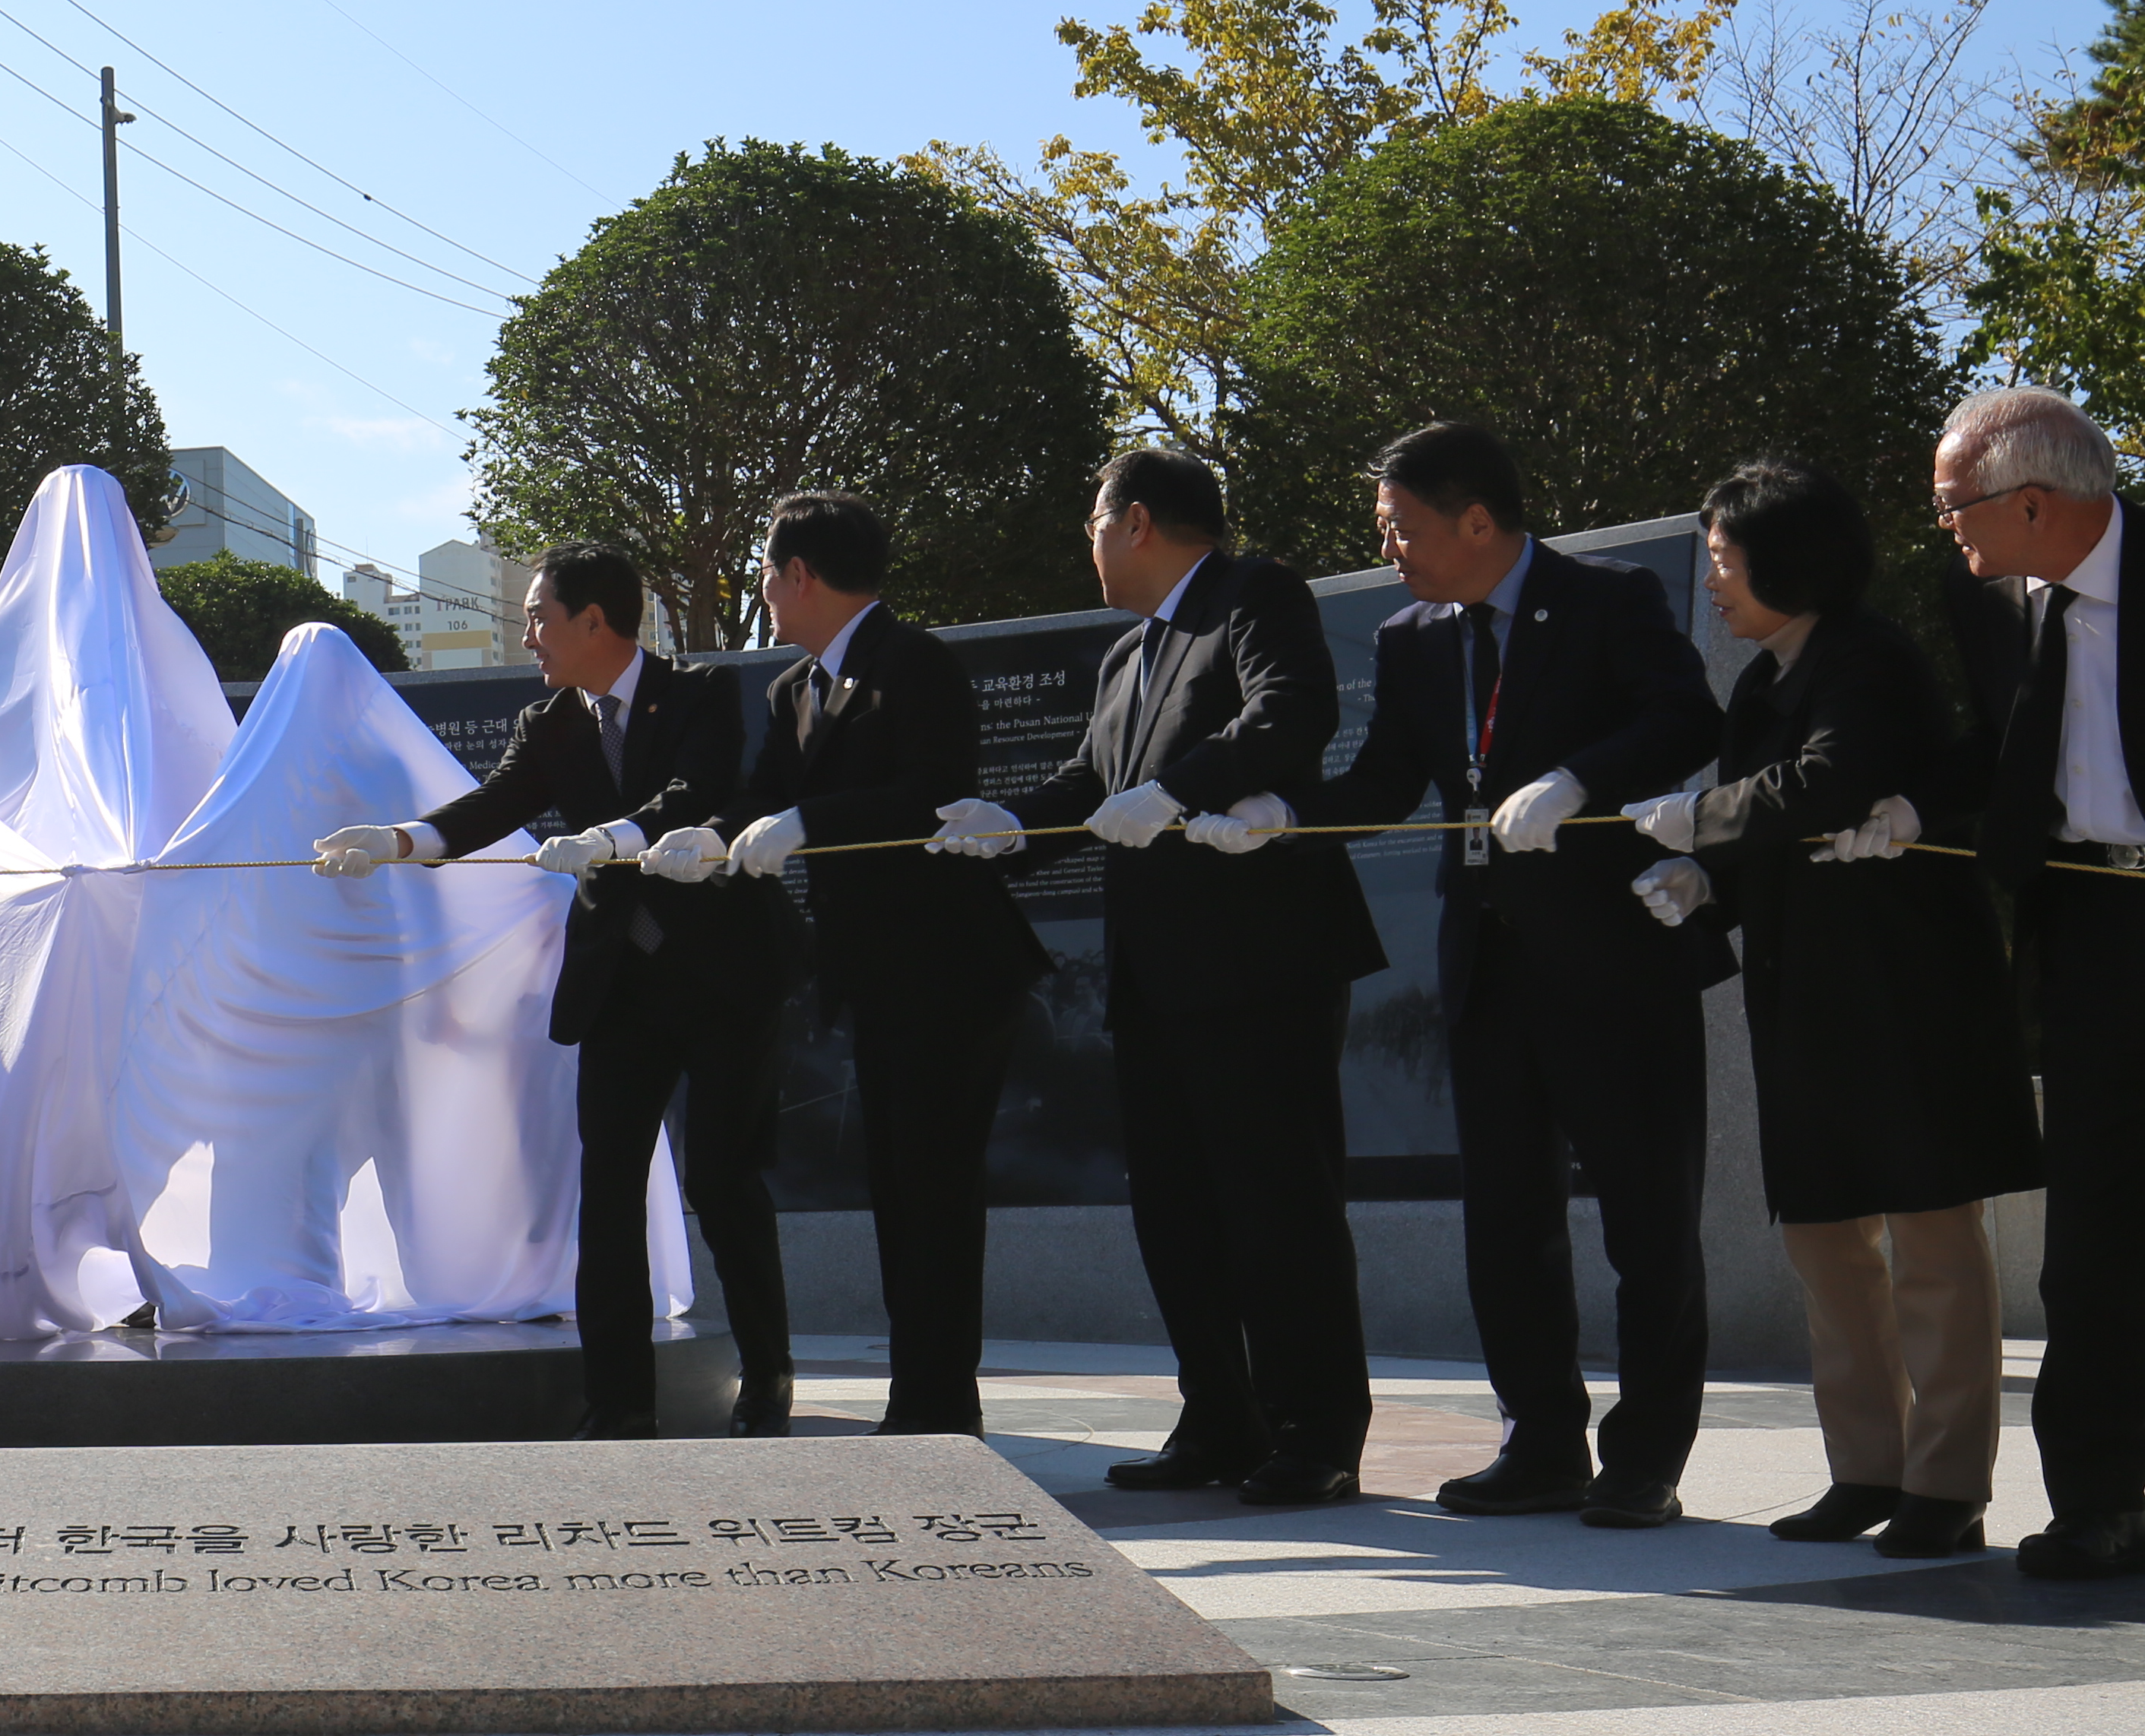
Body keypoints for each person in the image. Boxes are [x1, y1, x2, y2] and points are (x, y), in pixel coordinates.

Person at [932, 448, 1385, 1505]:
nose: (1085, 543)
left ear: (1136, 521)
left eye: (1091, 521)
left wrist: (1181, 790)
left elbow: (1289, 715)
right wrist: (1009, 827)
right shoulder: (1128, 653)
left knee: (1279, 1203)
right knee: (1177, 1212)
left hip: (1261, 964)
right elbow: (1093, 781)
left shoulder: (1253, 594)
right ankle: (1221, 1418)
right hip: (1158, 973)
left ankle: (1316, 1431)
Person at [1304, 420, 1725, 1527]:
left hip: (1615, 953)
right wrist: (1279, 817)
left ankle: (1647, 1458)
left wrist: (1579, 781)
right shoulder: (1410, 638)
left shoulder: (1610, 599)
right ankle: (1541, 1439)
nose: (1389, 548)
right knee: (1506, 1216)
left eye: (1401, 527)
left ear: (1477, 520)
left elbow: (1684, 715)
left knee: (1646, 1211)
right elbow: (1392, 774)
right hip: (1487, 958)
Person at [1627, 458, 2036, 1560]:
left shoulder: (1868, 657)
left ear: (1784, 557)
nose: (1712, 579)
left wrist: (1696, 820)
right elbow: (1779, 838)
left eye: (1723, 558)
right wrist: (1709, 882)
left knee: (1932, 1236)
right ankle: (1864, 1465)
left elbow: (1825, 784)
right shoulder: (1762, 679)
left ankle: (1947, 1484)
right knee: (1824, 1239)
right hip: (1806, 991)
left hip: (1906, 989)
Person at [311, 537, 796, 1437]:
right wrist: (397, 841)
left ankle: (768, 1377)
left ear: (593, 621)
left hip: (724, 979)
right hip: (621, 989)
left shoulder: (698, 695)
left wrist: (611, 838)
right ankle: (619, 1404)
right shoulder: (552, 724)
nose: (527, 636)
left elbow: (698, 792)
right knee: (606, 1193)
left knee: (726, 1183)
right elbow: (491, 807)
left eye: (538, 616)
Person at [705, 492, 1044, 1437]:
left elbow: (935, 790)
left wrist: (812, 822)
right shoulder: (792, 689)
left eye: (769, 576)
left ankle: (938, 1408)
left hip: (951, 972)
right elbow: (763, 799)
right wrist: (705, 836)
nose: (765, 595)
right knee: (899, 1191)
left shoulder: (913, 660)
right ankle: (923, 1402)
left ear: (801, 575)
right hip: (877, 981)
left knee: (933, 1191)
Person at [1934, 385, 2145, 1579]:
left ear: (2030, 500)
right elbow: (2001, 749)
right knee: (2094, 1233)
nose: (1947, 532)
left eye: (1956, 507)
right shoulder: (1995, 602)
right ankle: (2098, 1502)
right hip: (2089, 925)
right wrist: (1902, 801)